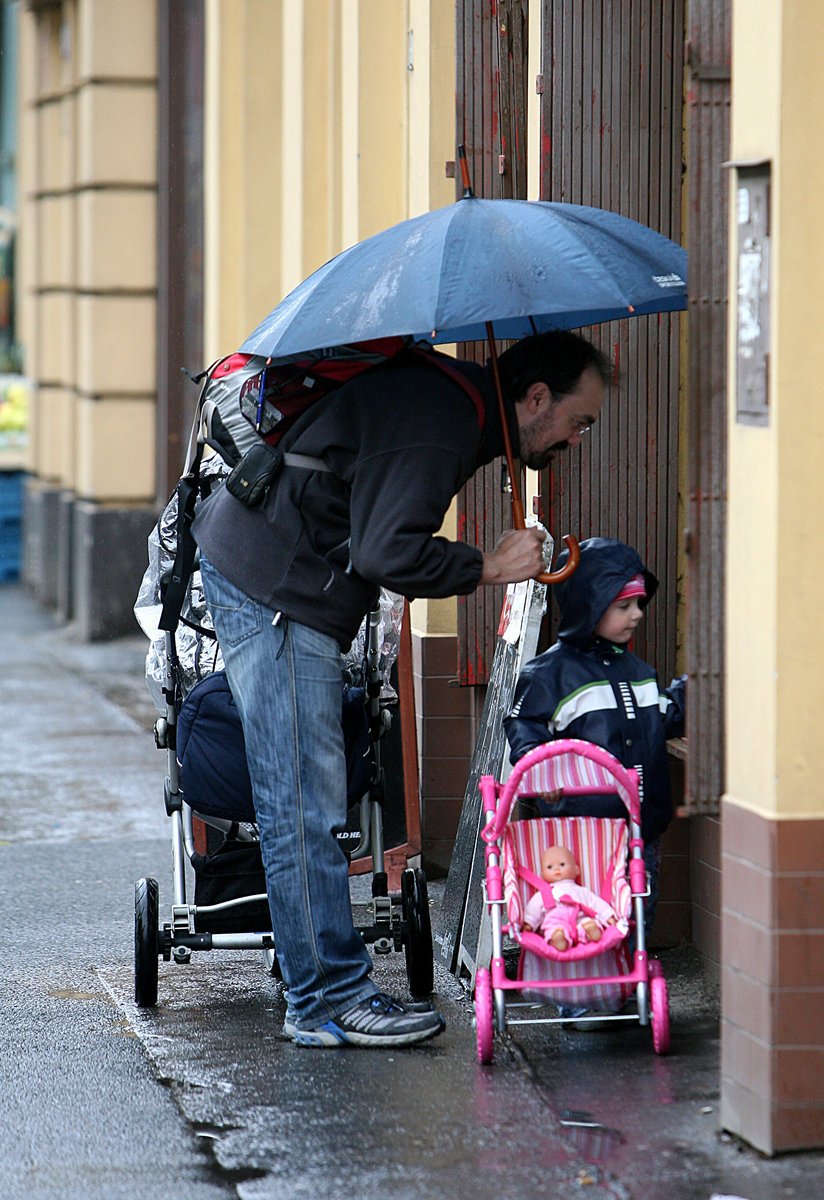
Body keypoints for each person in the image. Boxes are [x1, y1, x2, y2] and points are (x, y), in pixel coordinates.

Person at [192, 330, 610, 1048]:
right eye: (580, 420)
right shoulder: (441, 418)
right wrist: (486, 566)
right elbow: (390, 551)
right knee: (303, 804)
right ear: (535, 398)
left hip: (274, 573)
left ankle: (320, 986)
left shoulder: (448, 407)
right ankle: (325, 1000)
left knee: (304, 801)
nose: (576, 438)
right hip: (275, 585)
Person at [504, 536, 687, 940]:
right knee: (581, 913)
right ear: (588, 606)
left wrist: (695, 691)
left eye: (639, 603)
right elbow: (524, 726)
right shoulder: (550, 675)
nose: (637, 614)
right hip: (580, 830)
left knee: (637, 907)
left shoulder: (640, 672)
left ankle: (626, 981)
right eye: (623, 606)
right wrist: (542, 773)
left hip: (641, 825)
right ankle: (581, 993)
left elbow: (662, 716)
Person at [522, 845, 617, 951]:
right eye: (549, 867)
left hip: (579, 917)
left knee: (587, 921)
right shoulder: (544, 893)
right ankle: (558, 939)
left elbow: (595, 902)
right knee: (553, 929)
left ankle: (591, 930)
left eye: (562, 864)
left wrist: (608, 916)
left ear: (576, 870)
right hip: (556, 921)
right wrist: (529, 923)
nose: (556, 869)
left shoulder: (582, 891)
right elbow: (534, 908)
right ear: (542, 875)